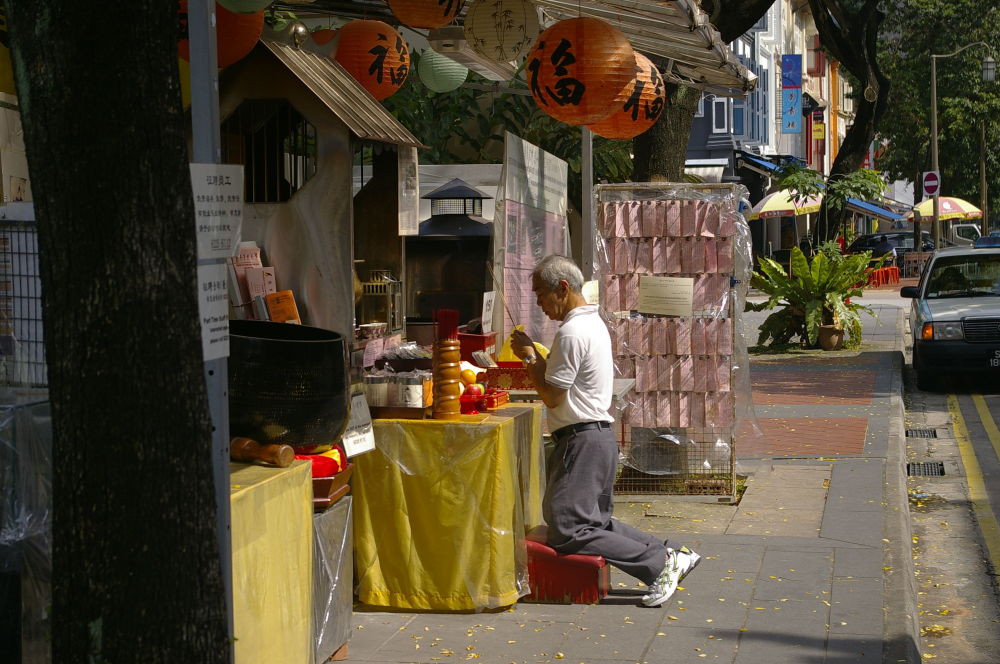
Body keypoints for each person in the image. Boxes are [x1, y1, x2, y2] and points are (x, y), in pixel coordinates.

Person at [509, 254, 699, 607]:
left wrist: (529, 358)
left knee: (567, 528)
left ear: (562, 288)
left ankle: (659, 564)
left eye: (540, 294)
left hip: (582, 439)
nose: (538, 303)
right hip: (594, 437)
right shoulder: (590, 322)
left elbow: (552, 396)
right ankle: (668, 554)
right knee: (591, 521)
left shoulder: (572, 331)